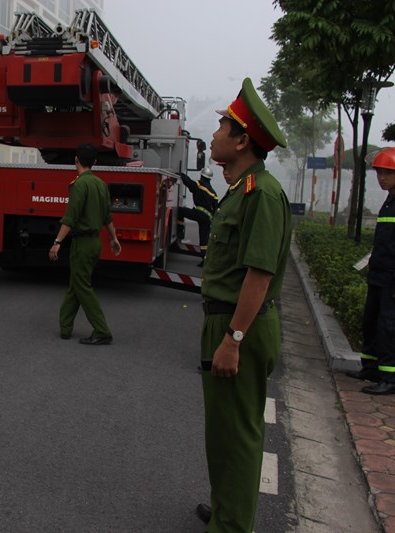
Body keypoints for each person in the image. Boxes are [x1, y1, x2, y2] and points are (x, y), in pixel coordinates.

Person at [195, 78, 291, 532]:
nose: (214, 134)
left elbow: (260, 273)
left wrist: (233, 339)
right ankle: (228, 505)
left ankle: (232, 526)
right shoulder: (243, 187)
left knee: (238, 433)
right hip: (227, 322)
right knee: (223, 431)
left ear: (242, 140)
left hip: (241, 327)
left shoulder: (263, 194)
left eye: (221, 127)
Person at [49, 143, 121, 345]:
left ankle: (102, 331)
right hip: (95, 242)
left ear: (76, 160)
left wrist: (57, 242)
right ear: (95, 162)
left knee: (82, 287)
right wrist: (113, 239)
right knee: (76, 285)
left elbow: (70, 218)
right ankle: (65, 327)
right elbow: (107, 217)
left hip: (82, 244)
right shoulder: (100, 184)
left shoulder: (79, 185)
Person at [346, 147, 395, 395]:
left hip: (391, 279)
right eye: (379, 173)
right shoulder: (389, 202)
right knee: (371, 322)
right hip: (378, 275)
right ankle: (371, 368)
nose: (382, 178)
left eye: (387, 173)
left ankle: (390, 378)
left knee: (388, 326)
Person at [177, 166, 219, 266]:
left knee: (180, 211)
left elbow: (188, 182)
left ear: (201, 176)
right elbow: (216, 208)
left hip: (199, 214)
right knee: (204, 240)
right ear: (210, 178)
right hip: (207, 218)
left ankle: (180, 231)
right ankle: (205, 260)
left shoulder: (199, 184)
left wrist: (181, 174)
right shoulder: (214, 193)